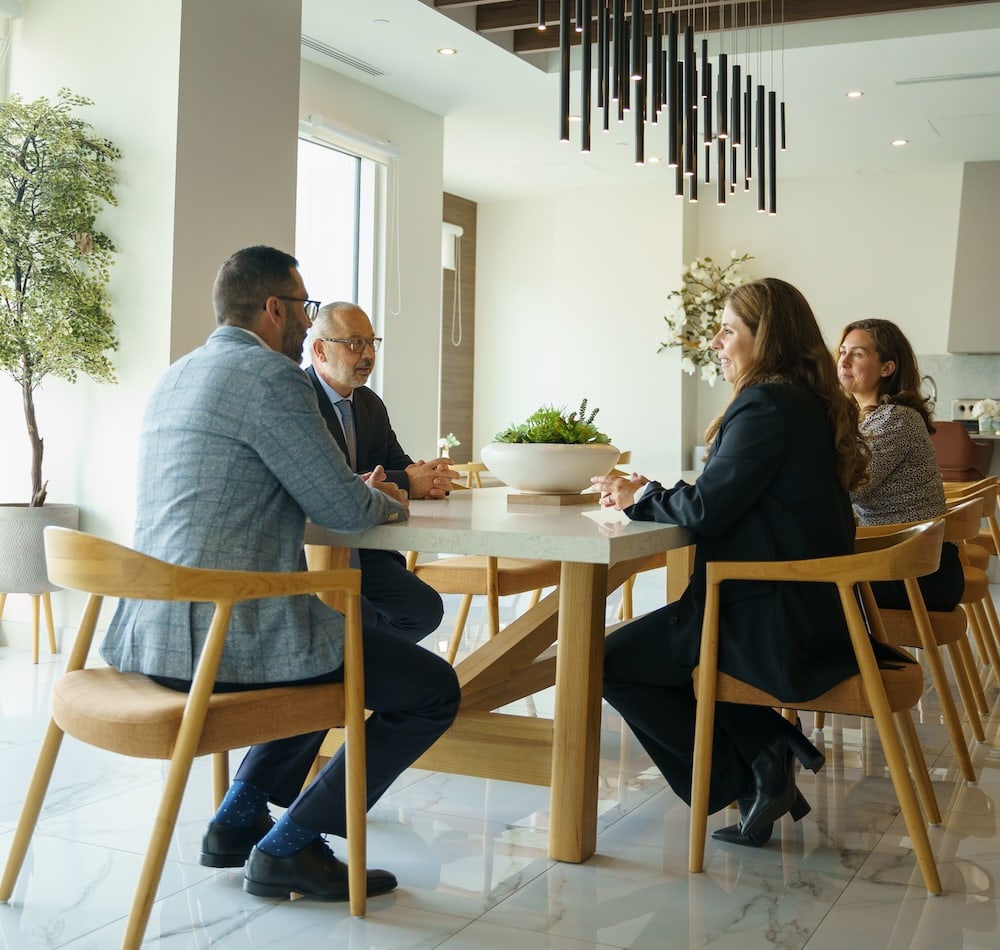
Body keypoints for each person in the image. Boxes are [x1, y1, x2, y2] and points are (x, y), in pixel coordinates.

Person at [100, 246, 460, 902]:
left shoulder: (178, 373)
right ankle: (289, 844)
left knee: (334, 645)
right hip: (223, 638)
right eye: (304, 306)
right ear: (275, 309)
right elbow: (345, 508)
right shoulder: (272, 377)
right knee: (429, 688)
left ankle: (237, 819)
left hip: (148, 636)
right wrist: (392, 497)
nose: (306, 318)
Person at [591, 277, 878, 849]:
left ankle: (755, 766)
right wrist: (652, 492)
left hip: (765, 618)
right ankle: (762, 758)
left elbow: (707, 509)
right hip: (809, 609)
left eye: (727, 330)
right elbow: (729, 496)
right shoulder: (809, 402)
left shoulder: (765, 402)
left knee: (608, 661)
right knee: (651, 651)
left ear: (764, 337)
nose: (716, 343)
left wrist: (639, 496)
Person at [305, 301, 455, 643]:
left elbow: (398, 464)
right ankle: (357, 657)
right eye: (355, 343)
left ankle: (361, 657)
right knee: (363, 620)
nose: (368, 354)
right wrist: (408, 481)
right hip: (315, 549)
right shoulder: (299, 400)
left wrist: (428, 477)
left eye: (372, 342)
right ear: (320, 350)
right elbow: (329, 480)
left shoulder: (370, 403)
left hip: (368, 548)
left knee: (424, 610)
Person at [837, 318, 964, 610]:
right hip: (900, 561)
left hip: (919, 572)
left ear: (887, 368)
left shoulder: (894, 419)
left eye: (857, 354)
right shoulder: (870, 419)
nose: (844, 361)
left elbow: (846, 488)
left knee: (803, 588)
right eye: (842, 352)